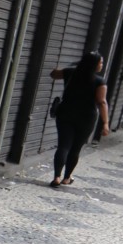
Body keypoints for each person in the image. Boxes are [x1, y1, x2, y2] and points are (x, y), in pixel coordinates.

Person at [47, 52, 110, 188]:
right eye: (101, 62)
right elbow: (102, 102)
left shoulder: (69, 73)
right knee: (75, 148)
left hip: (65, 113)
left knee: (63, 146)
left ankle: (56, 177)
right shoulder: (99, 81)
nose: (101, 65)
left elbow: (53, 74)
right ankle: (67, 178)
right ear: (94, 64)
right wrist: (105, 123)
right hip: (87, 117)